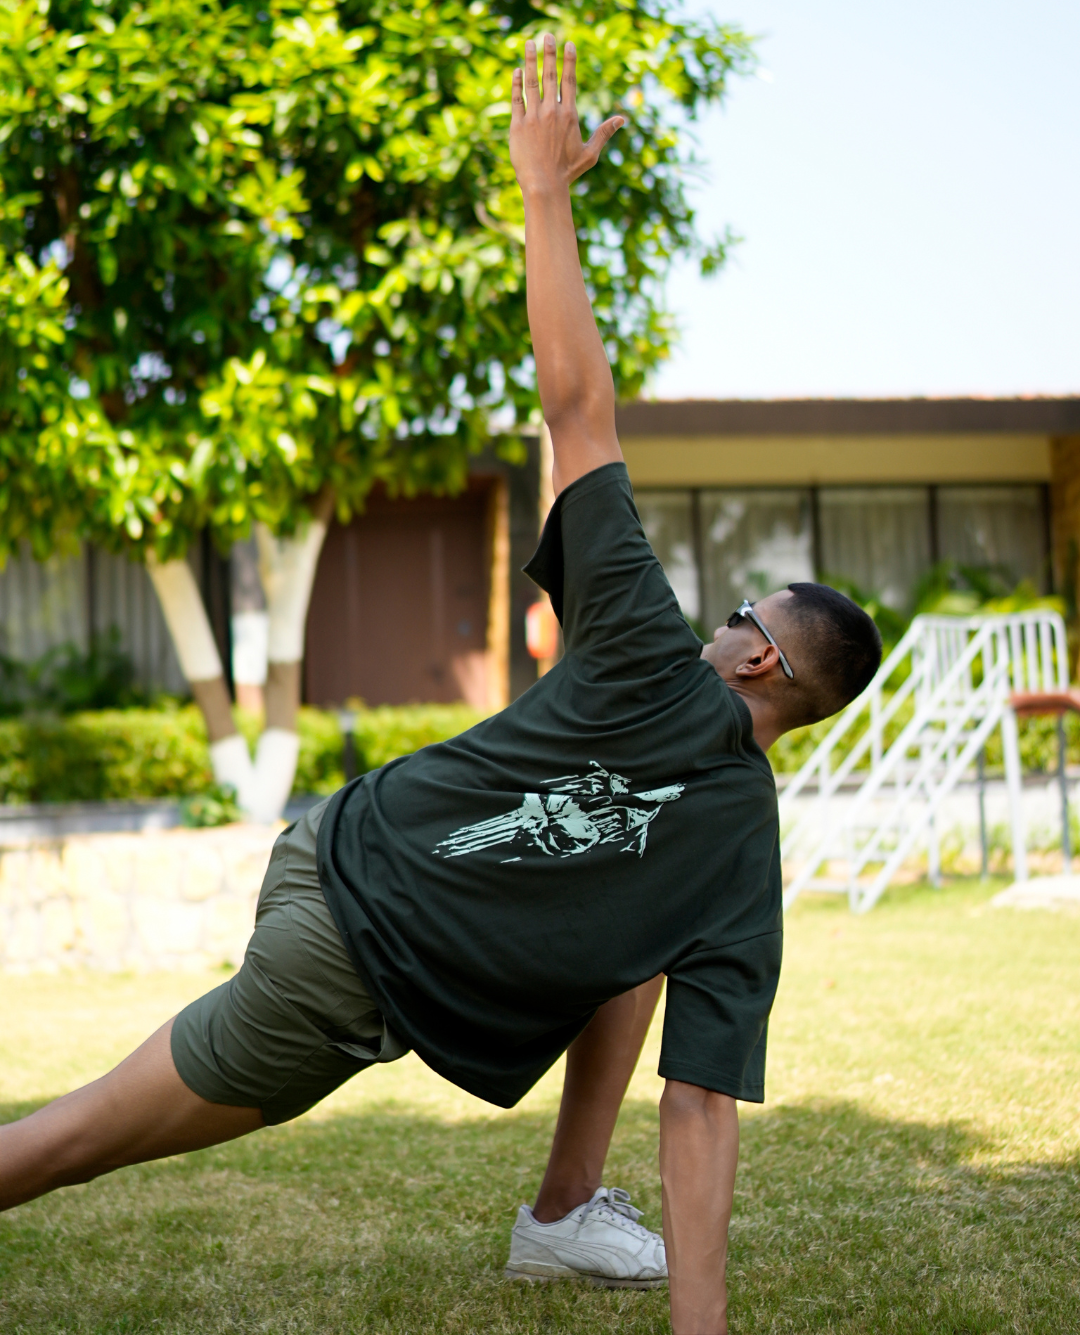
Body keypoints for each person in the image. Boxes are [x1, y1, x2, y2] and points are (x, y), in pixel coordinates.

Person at [0, 37, 882, 1335]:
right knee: (70, 1141)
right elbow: (700, 1110)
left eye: (742, 609)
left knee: (637, 945)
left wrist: (544, 193)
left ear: (759, 655)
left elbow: (579, 408)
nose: (723, 616)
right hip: (342, 964)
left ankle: (561, 1214)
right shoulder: (742, 856)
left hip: (338, 845)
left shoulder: (651, 660)